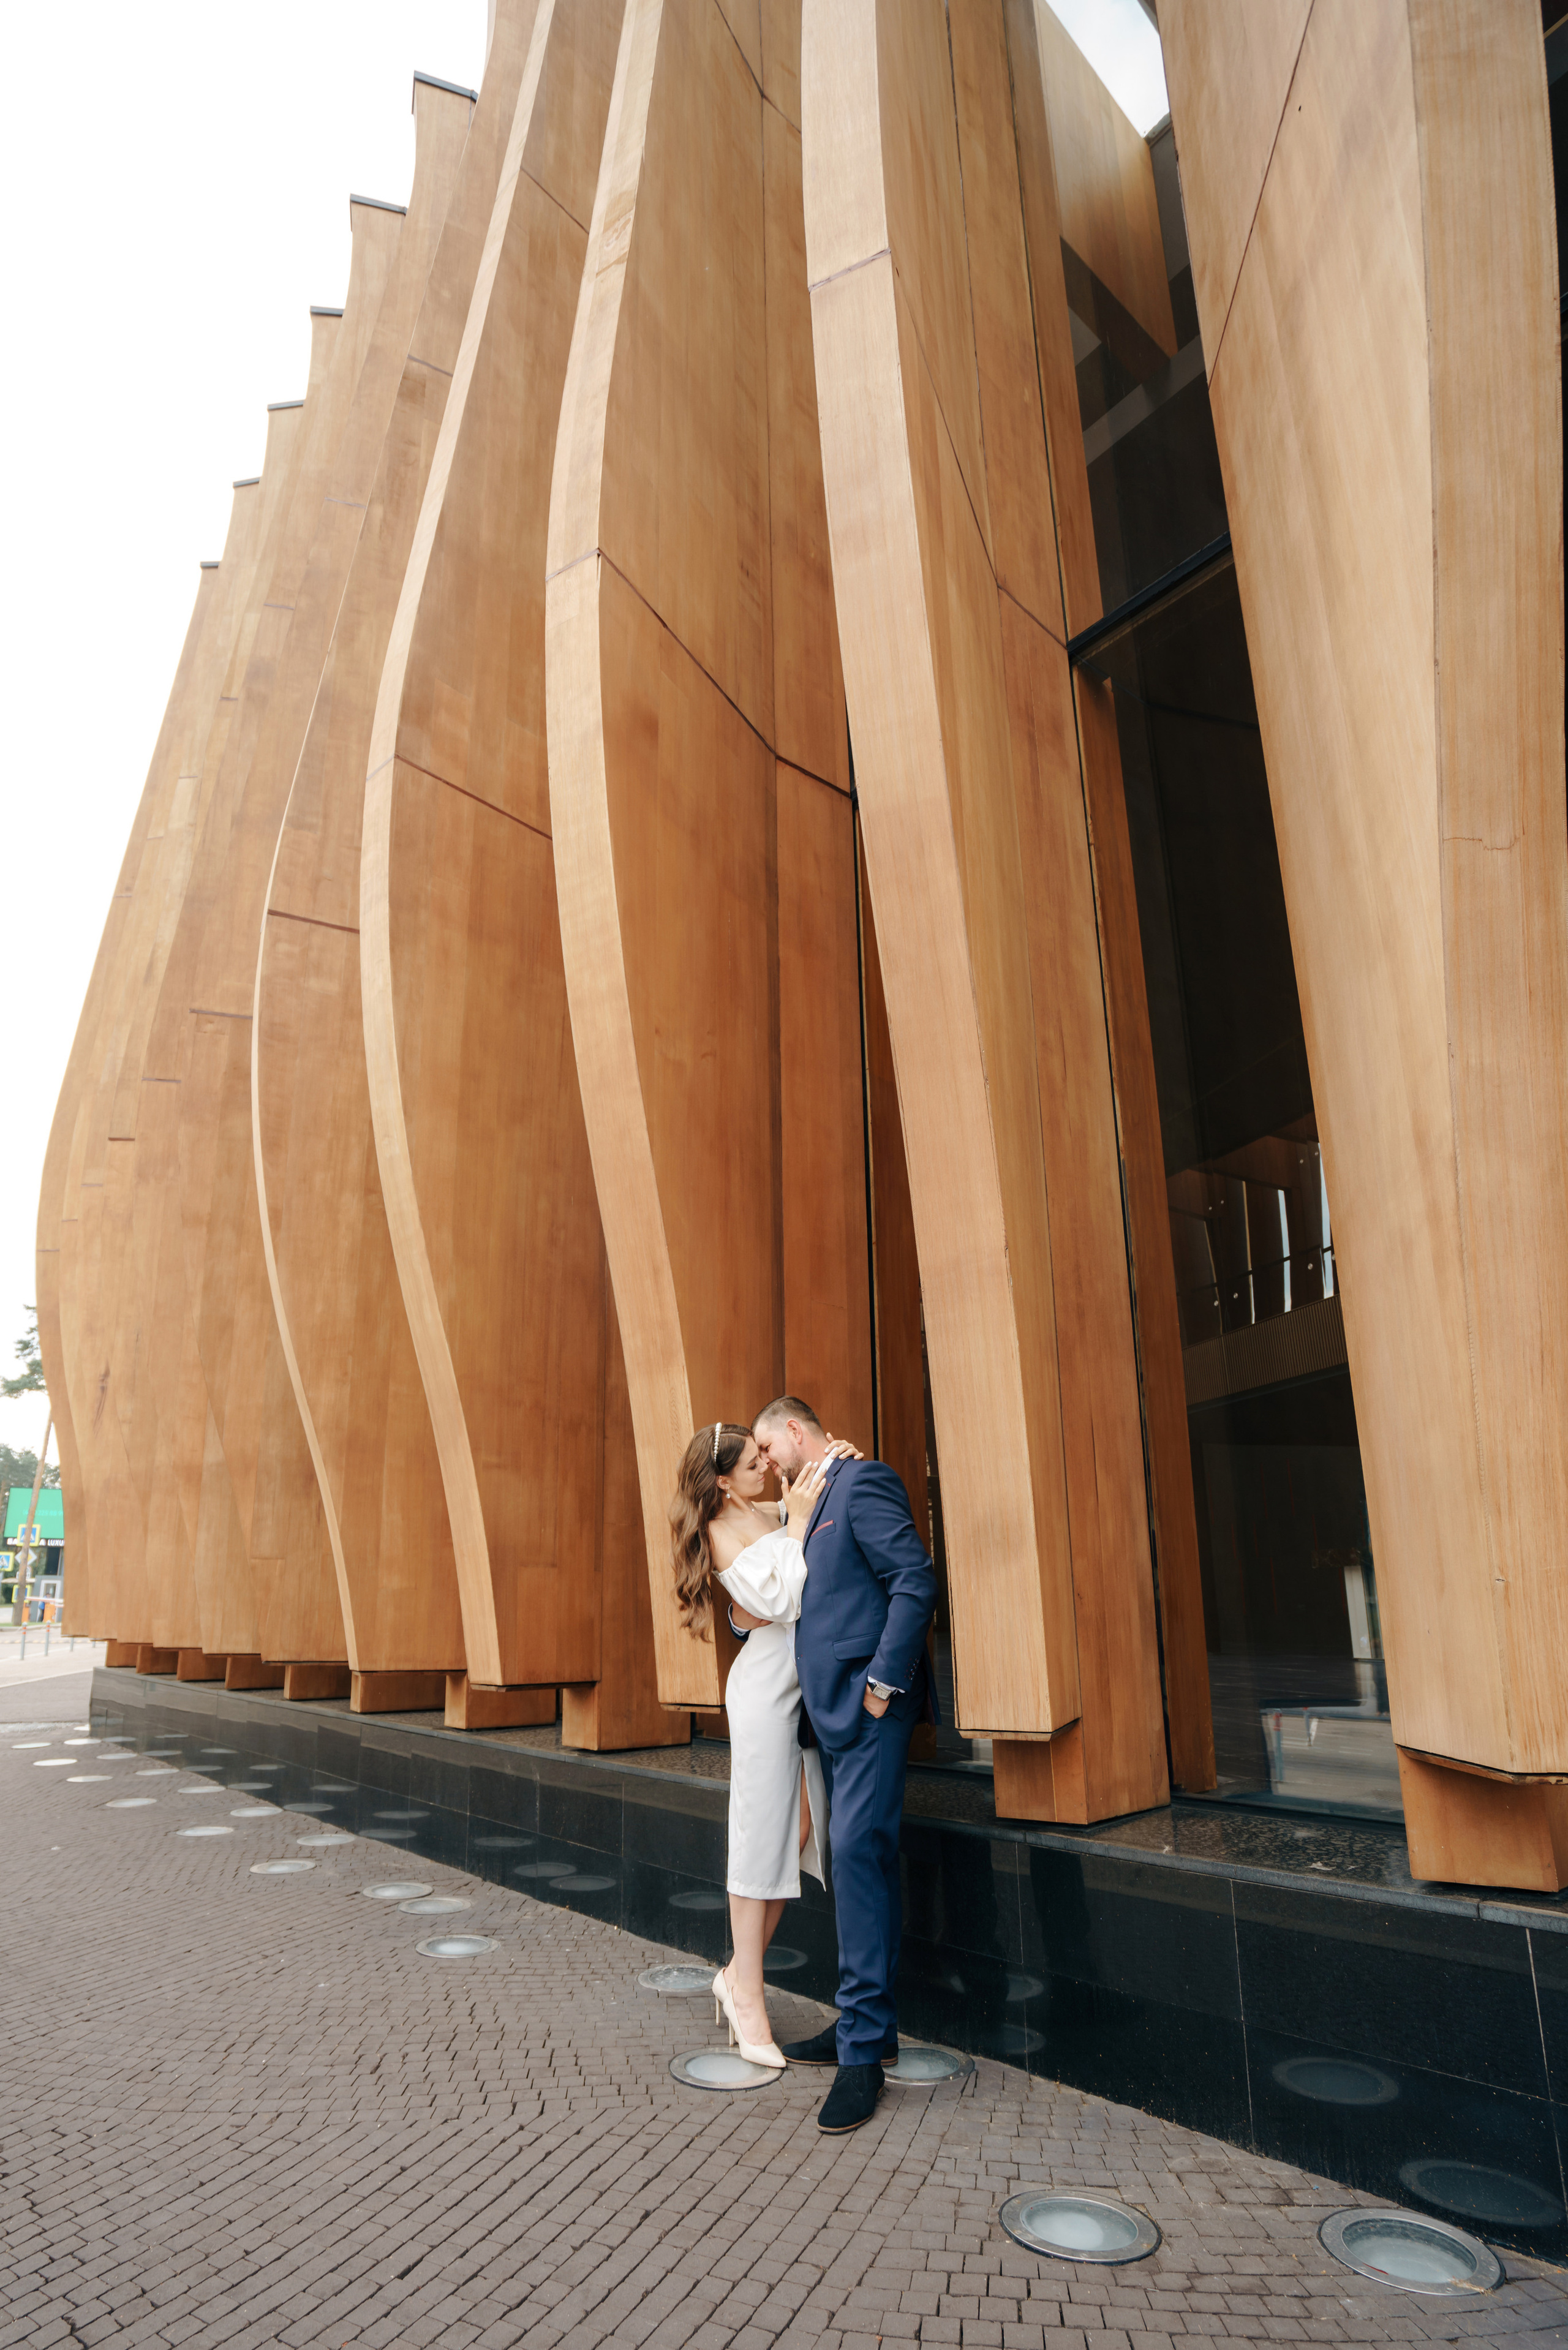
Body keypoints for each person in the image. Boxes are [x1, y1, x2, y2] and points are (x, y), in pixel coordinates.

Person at [752, 1395, 937, 2135]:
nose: (765, 1464)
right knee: (854, 1859)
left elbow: (914, 1581)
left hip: (867, 1712)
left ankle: (861, 2052)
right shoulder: (809, 1498)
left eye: (768, 1448)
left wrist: (882, 1687)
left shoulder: (863, 1483)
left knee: (858, 1855)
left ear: (795, 1432)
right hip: (826, 1716)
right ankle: (868, 2028)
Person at [668, 1422, 850, 2068]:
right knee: (757, 1841)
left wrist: (836, 1453)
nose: (765, 1469)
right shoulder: (721, 1531)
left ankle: (736, 1973)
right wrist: (797, 1526)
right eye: (751, 1465)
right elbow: (780, 1598)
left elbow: (813, 1483)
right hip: (764, 1697)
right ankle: (747, 1993)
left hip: (797, 1694)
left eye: (763, 1457)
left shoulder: (769, 1505)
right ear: (722, 1480)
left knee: (798, 1830)